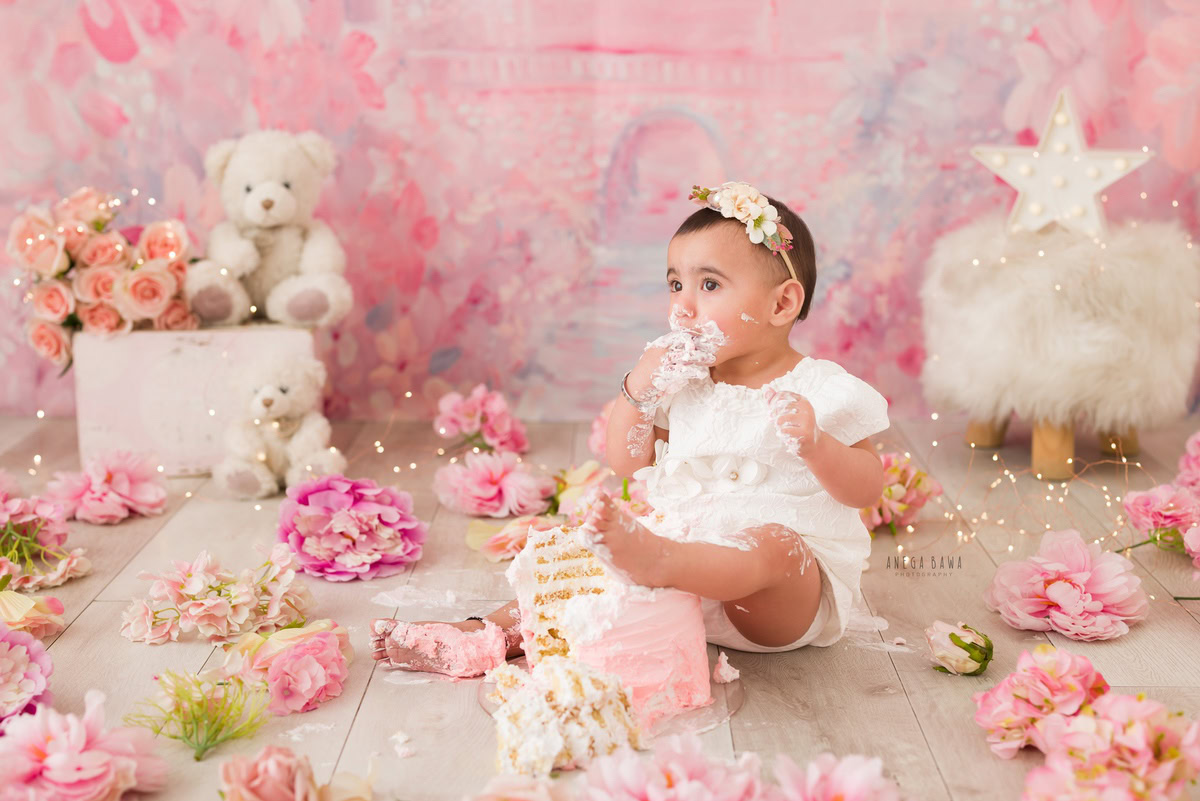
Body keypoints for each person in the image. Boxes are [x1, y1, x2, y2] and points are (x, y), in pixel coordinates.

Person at [370, 181, 889, 677]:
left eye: (709, 285)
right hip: (685, 589)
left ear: (781, 304)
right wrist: (639, 389)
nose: (683, 306)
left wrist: (817, 446)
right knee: (581, 559)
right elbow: (628, 461)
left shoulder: (821, 390)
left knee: (773, 545)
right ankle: (482, 635)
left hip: (777, 604)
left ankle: (663, 559)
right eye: (675, 284)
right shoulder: (684, 384)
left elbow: (866, 488)